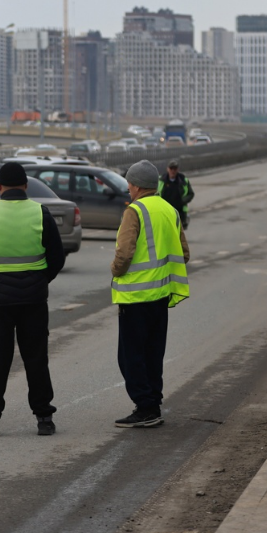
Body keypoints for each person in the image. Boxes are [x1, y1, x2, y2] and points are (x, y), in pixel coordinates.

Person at [0, 162, 65, 437]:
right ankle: (44, 418)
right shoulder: (40, 213)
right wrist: (40, 280)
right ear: (24, 186)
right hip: (33, 300)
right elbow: (57, 257)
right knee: (36, 359)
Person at [112, 160, 190, 428]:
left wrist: (115, 270)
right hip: (161, 296)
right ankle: (153, 404)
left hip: (135, 298)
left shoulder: (134, 211)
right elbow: (185, 253)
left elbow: (124, 253)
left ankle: (145, 408)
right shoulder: (170, 209)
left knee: (130, 356)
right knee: (153, 354)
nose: (128, 188)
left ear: (135, 185)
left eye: (129, 184)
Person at [158, 160, 194, 230]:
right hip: (165, 210)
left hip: (179, 211)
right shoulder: (161, 180)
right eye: (171, 169)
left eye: (175, 169)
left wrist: (183, 201)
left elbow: (191, 194)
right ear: (168, 169)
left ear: (178, 169)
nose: (173, 171)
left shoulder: (183, 180)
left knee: (178, 230)